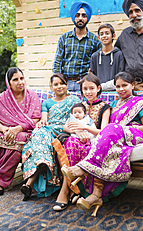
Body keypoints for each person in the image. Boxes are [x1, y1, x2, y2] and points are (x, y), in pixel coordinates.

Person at [61, 72, 143, 216]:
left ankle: (82, 169)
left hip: (137, 136)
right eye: (118, 86)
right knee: (104, 148)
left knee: (109, 130)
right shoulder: (113, 105)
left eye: (125, 85)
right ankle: (96, 194)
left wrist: (126, 128)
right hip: (117, 138)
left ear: (133, 85)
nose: (121, 89)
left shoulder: (139, 103)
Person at [0, 67, 41, 196]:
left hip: (24, 131)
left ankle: (0, 181)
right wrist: (5, 129)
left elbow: (35, 119)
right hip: (6, 131)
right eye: (15, 79)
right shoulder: (3, 98)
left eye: (21, 78)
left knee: (19, 140)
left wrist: (17, 129)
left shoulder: (32, 96)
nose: (20, 82)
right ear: (9, 83)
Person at [52, 74, 111, 211]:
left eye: (92, 88)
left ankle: (66, 190)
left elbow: (104, 132)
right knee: (70, 141)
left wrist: (86, 128)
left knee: (74, 143)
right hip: (76, 138)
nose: (88, 92)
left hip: (94, 142)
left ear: (98, 88)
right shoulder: (79, 106)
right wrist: (77, 133)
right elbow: (66, 126)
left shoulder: (105, 107)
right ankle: (71, 190)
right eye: (85, 88)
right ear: (81, 90)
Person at [20, 73, 80, 200]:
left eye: (62, 83)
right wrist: (42, 123)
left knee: (33, 143)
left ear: (67, 84)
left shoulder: (74, 100)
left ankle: (29, 183)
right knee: (38, 133)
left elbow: (79, 118)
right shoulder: (46, 102)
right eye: (55, 84)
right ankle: (42, 164)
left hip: (65, 130)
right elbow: (44, 119)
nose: (59, 86)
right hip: (49, 130)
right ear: (51, 87)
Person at [52, 1, 102, 91]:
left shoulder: (95, 40)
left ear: (88, 18)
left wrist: (91, 76)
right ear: (73, 17)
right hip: (66, 83)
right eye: (77, 15)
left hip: (85, 83)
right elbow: (57, 62)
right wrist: (59, 80)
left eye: (84, 15)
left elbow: (99, 63)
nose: (80, 18)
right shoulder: (64, 38)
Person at [90, 23, 125, 91]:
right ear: (99, 38)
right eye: (101, 34)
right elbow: (93, 76)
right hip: (98, 92)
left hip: (115, 91)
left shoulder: (119, 54)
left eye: (107, 33)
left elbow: (121, 76)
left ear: (113, 36)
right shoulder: (94, 56)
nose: (104, 36)